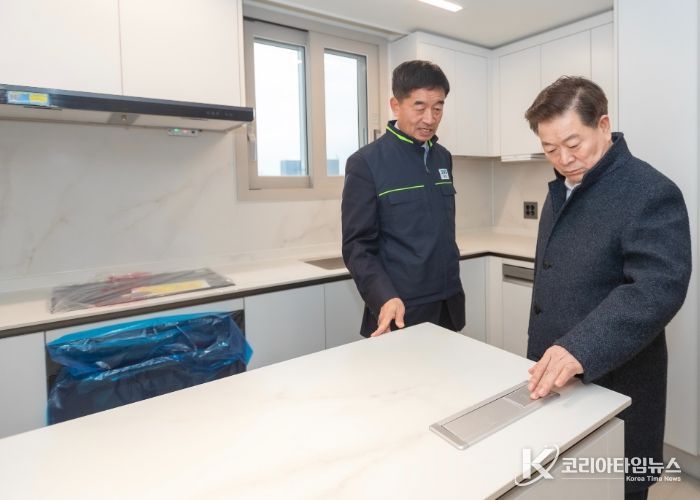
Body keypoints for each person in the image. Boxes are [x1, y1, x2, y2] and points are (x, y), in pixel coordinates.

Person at [524, 76, 692, 500]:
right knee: (565, 484)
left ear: (603, 125)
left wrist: (579, 347)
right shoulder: (561, 187)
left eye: (573, 143)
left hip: (617, 378)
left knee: (615, 483)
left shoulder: (650, 191)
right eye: (550, 149)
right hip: (558, 378)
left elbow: (657, 288)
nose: (564, 159)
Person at [341, 60, 465, 338]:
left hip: (448, 303)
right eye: (419, 107)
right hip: (400, 308)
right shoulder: (366, 163)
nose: (430, 119)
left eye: (438, 108)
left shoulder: (442, 157)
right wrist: (383, 297)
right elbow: (358, 247)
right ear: (395, 105)